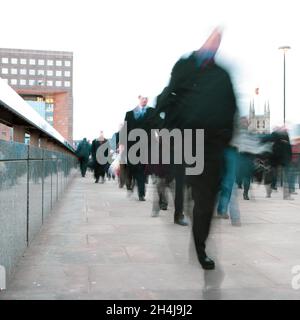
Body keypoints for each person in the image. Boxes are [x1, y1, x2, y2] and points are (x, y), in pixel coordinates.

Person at [151, 28, 237, 269]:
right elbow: (167, 95)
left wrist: (224, 139)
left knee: (206, 200)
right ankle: (181, 209)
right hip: (185, 139)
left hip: (211, 146)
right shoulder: (185, 65)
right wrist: (163, 127)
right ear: (205, 40)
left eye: (219, 40)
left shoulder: (222, 75)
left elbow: (231, 108)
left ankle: (200, 246)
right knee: (183, 183)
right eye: (213, 37)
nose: (215, 42)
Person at [121, 95, 155, 201]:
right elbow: (124, 130)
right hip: (132, 147)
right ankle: (135, 184)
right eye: (143, 98)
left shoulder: (152, 112)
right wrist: (122, 145)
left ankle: (141, 193)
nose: (145, 100)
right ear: (139, 98)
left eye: (146, 98)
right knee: (135, 168)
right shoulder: (129, 114)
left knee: (142, 170)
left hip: (146, 146)